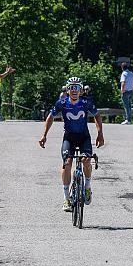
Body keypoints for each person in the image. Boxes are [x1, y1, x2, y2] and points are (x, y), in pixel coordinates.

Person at [39, 77, 105, 211]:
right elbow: (50, 117)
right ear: (67, 90)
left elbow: (97, 116)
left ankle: (87, 187)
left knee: (86, 160)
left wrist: (100, 134)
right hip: (69, 137)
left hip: (83, 137)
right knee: (67, 163)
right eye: (72, 88)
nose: (74, 91)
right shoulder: (62, 103)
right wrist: (44, 135)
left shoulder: (86, 102)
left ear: (81, 91)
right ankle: (66, 199)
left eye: (77, 88)